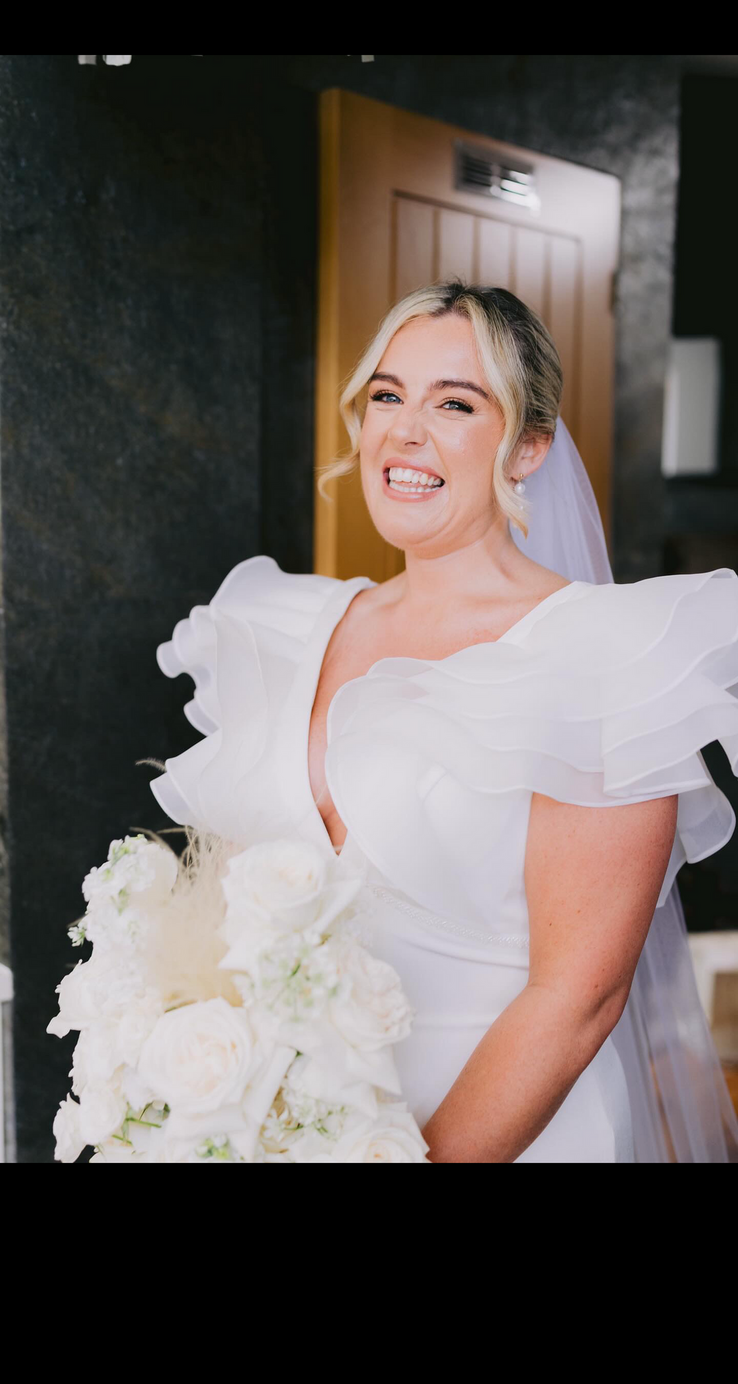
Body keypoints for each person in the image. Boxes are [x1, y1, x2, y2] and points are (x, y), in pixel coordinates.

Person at [150, 282, 738, 1163]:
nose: (405, 431)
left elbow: (578, 998)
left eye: (454, 404)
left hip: (512, 1136)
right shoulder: (282, 631)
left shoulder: (602, 661)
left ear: (529, 445)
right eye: (387, 395)